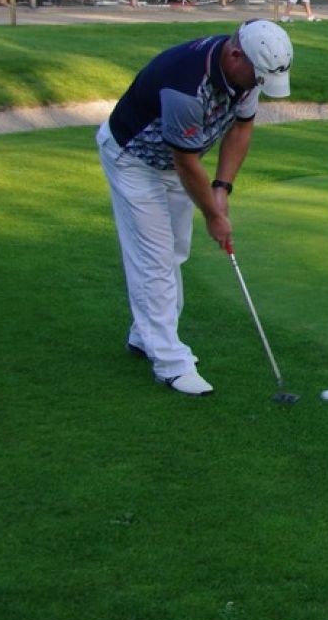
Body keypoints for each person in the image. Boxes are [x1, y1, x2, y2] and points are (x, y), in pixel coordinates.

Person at [97, 20, 294, 396]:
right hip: (134, 160)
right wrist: (214, 216)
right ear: (235, 56)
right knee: (154, 260)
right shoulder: (185, 87)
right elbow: (186, 162)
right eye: (258, 78)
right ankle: (170, 363)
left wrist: (222, 187)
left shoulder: (246, 73)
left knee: (175, 250)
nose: (258, 86)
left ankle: (145, 336)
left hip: (175, 163)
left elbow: (241, 128)